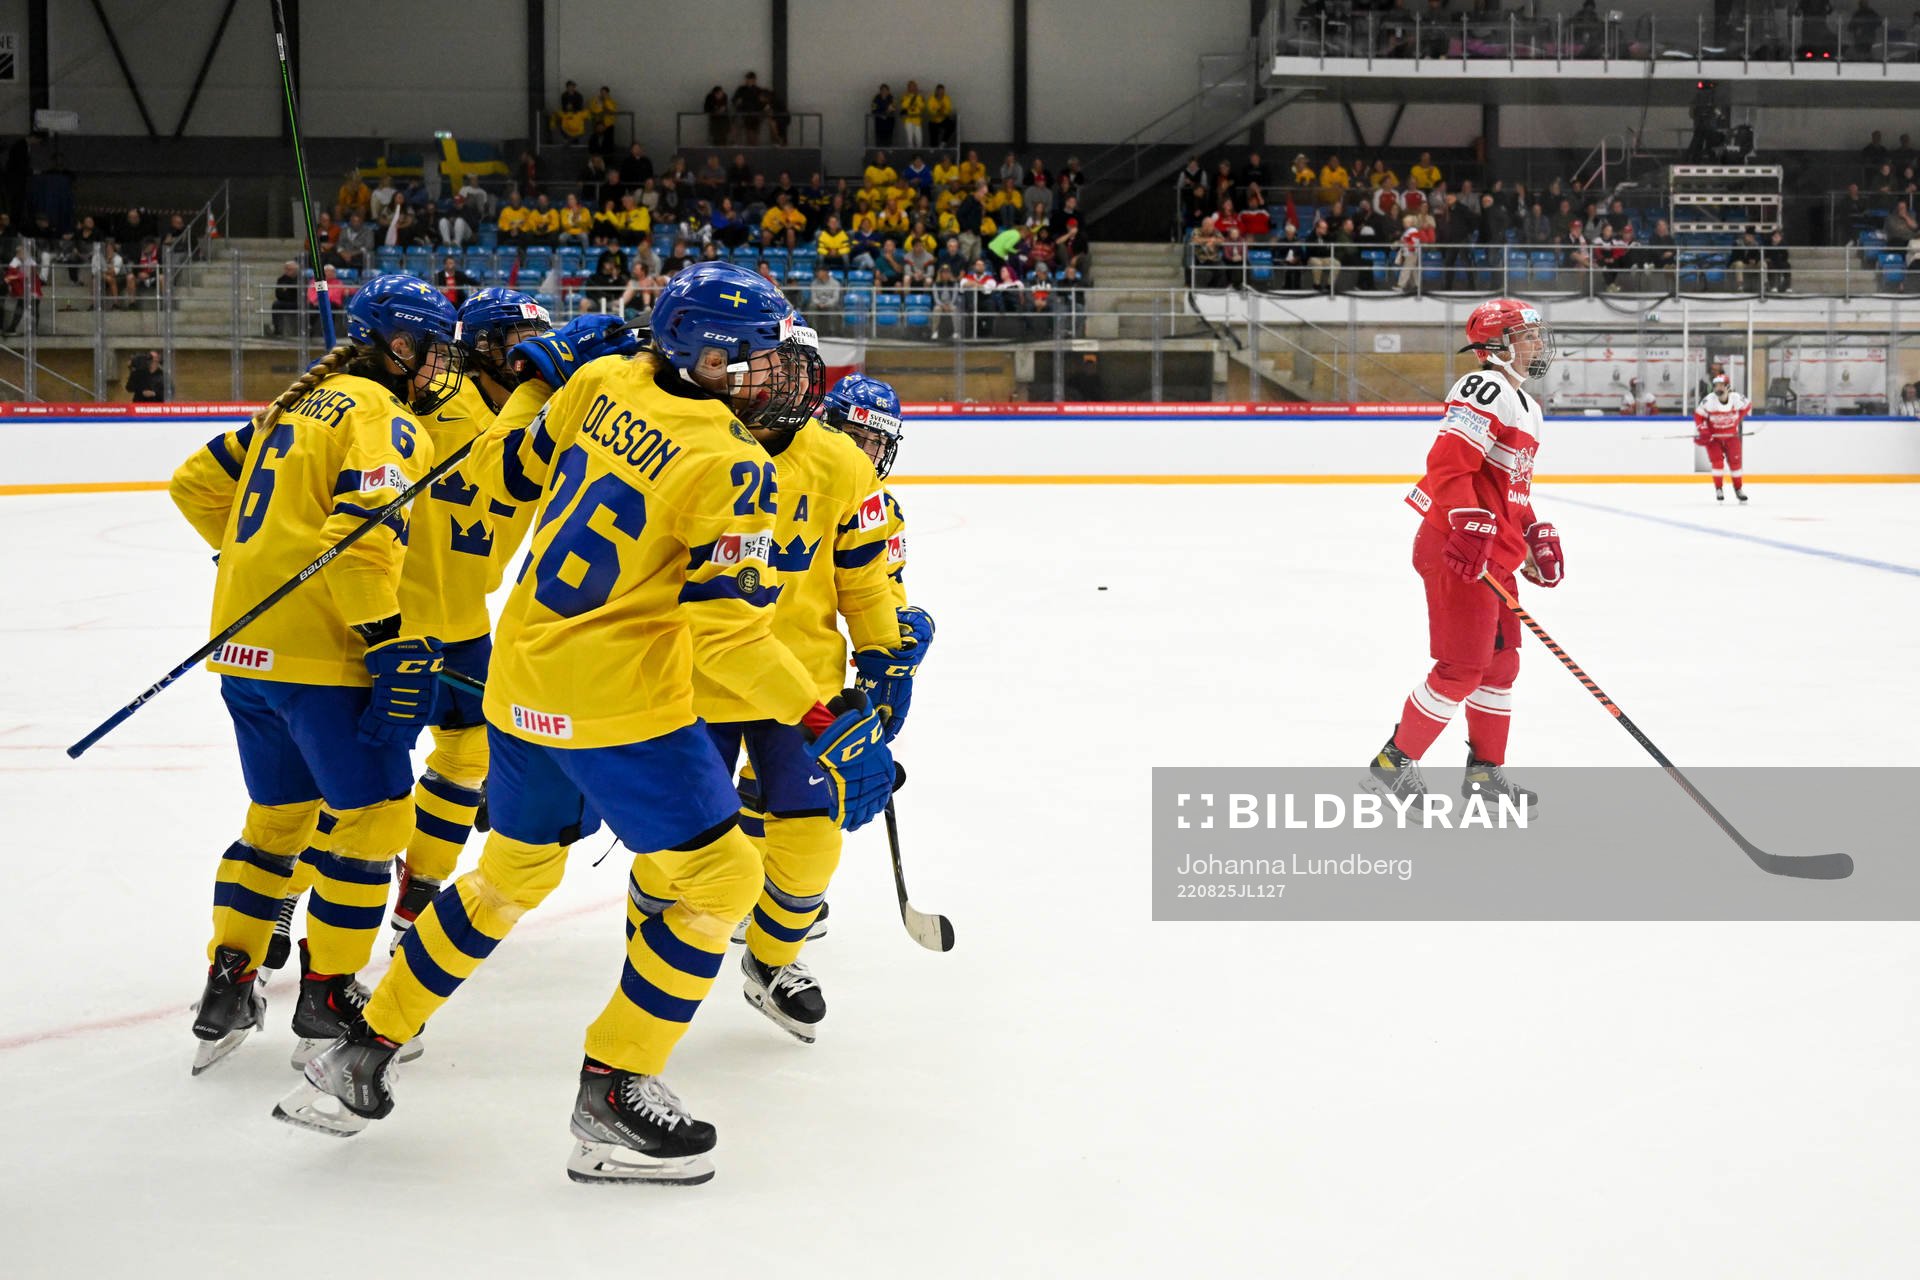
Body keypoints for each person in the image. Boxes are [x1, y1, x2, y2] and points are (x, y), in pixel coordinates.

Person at [275, 265, 899, 1190]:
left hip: (520, 679)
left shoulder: (602, 382)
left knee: (510, 875)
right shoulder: (730, 462)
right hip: (615, 704)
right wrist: (825, 712)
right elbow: (727, 638)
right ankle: (615, 1091)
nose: (780, 379)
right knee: (726, 880)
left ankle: (357, 1054)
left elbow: (495, 479)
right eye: (759, 361)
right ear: (708, 357)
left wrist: (537, 378)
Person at [167, 276, 465, 1074]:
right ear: (400, 348)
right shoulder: (384, 419)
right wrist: (384, 638)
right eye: (434, 351)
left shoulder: (293, 406)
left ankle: (227, 983)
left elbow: (194, 483)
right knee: (374, 823)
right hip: (321, 658)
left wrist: (251, 563)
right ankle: (329, 990)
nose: (441, 367)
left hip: (243, 649)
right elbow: (362, 537)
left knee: (277, 818)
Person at [696, 372, 929, 1040]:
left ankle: (774, 960)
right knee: (683, 846)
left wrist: (893, 644)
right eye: (851, 431)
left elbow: (874, 585)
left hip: (805, 683)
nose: (862, 448)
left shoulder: (865, 495)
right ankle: (657, 971)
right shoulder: (728, 458)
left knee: (813, 836)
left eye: (873, 439)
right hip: (702, 672)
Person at [1366, 297, 1559, 812]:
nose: (1537, 343)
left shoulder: (1529, 407)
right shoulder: (1486, 386)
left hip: (1492, 550)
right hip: (1458, 547)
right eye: (1527, 334)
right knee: (1462, 667)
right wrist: (1462, 520)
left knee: (1500, 665)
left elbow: (1507, 488)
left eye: (1537, 334)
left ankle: (1484, 774)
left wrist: (1532, 530)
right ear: (1496, 345)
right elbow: (1449, 465)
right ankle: (1392, 764)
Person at [1693, 372, 1752, 502]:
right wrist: (1703, 429)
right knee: (1717, 463)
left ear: (1728, 387)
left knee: (1735, 463)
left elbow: (1748, 406)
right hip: (1714, 438)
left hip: (1731, 437)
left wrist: (1737, 419)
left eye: (1721, 385)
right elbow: (1698, 416)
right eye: (1716, 386)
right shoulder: (1709, 400)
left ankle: (1738, 489)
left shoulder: (1736, 399)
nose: (1718, 388)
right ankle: (1719, 488)